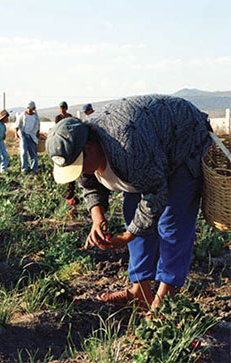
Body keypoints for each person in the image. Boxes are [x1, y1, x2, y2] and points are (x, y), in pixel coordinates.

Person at [46, 95, 212, 310]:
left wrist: (127, 237)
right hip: (150, 149)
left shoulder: (127, 147)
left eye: (79, 165)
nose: (80, 172)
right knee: (133, 214)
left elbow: (155, 195)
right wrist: (98, 219)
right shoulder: (81, 143)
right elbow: (88, 184)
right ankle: (140, 291)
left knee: (172, 223)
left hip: (184, 139)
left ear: (89, 149)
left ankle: (165, 300)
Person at [54, 101, 77, 204]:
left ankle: (70, 189)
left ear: (66, 108)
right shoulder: (58, 118)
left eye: (63, 107)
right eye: (61, 108)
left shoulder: (70, 117)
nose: (62, 109)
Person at [15, 101, 40, 173]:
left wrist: (37, 133)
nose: (29, 110)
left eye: (31, 108)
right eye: (28, 108)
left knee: (33, 152)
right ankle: (24, 169)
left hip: (32, 135)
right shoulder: (22, 115)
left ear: (34, 108)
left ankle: (34, 169)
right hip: (23, 134)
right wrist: (16, 134)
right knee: (23, 152)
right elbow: (17, 125)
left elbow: (38, 125)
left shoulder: (35, 116)